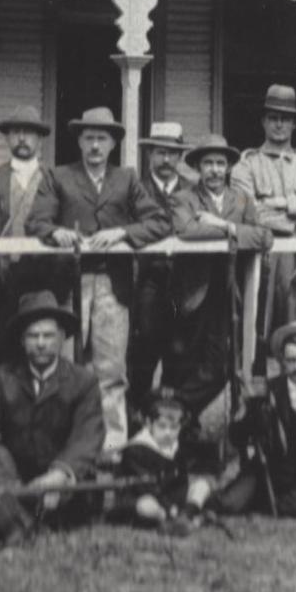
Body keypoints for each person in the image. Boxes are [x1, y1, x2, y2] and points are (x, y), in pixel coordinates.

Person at [27, 106, 169, 455]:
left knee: (110, 366)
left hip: (111, 283)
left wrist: (122, 233)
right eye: (89, 138)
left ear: (112, 144)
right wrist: (56, 233)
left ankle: (112, 442)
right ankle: (59, 441)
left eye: (101, 139)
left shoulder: (127, 178)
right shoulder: (57, 176)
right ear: (78, 140)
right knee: (64, 363)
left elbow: (160, 222)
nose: (94, 146)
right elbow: (36, 222)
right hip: (68, 284)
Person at [0, 291, 107, 546]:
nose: (41, 343)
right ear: (21, 340)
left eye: (48, 335)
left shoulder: (84, 381)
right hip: (15, 478)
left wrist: (59, 475)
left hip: (62, 481)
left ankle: (3, 517)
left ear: (62, 338)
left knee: (61, 494)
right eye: (33, 335)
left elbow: (88, 437)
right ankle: (20, 524)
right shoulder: (1, 378)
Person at [166, 134, 273, 425]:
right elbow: (186, 230)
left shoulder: (241, 199)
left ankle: (177, 411)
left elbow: (264, 236)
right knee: (187, 361)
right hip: (191, 292)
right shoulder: (183, 198)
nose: (214, 169)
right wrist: (236, 233)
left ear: (228, 168)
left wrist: (222, 225)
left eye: (220, 163)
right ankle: (183, 429)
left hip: (229, 292)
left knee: (222, 364)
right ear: (199, 167)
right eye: (208, 163)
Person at [214, 321, 296, 519]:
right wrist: (248, 409)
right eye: (291, 360)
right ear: (282, 361)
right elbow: (237, 437)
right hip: (268, 475)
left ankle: (268, 504)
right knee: (228, 504)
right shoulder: (269, 389)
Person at [231, 85, 296, 351]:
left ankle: (295, 390)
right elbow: (249, 213)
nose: (279, 124)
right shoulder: (246, 165)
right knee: (256, 334)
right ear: (263, 121)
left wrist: (282, 203)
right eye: (273, 117)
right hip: (261, 259)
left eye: (285, 118)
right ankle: (255, 388)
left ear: (294, 124)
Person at [0, 105, 53, 361]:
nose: (23, 139)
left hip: (43, 276)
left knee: (41, 345)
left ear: (40, 139)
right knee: (0, 348)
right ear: (7, 138)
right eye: (16, 132)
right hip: (2, 276)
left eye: (29, 133)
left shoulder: (54, 179)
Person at [129, 122, 191, 409]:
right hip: (146, 278)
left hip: (183, 279)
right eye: (160, 153)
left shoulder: (191, 192)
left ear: (180, 158)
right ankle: (138, 415)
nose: (166, 160)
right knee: (143, 350)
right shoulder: (136, 189)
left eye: (172, 154)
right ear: (150, 155)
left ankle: (171, 418)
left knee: (179, 351)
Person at [116, 387, 217, 534]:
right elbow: (145, 486)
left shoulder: (176, 447)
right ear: (148, 423)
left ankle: (186, 517)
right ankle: (171, 520)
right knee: (145, 506)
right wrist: (170, 509)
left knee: (202, 485)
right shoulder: (137, 449)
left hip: (175, 498)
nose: (168, 433)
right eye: (162, 426)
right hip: (148, 496)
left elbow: (182, 481)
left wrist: (182, 503)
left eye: (174, 427)